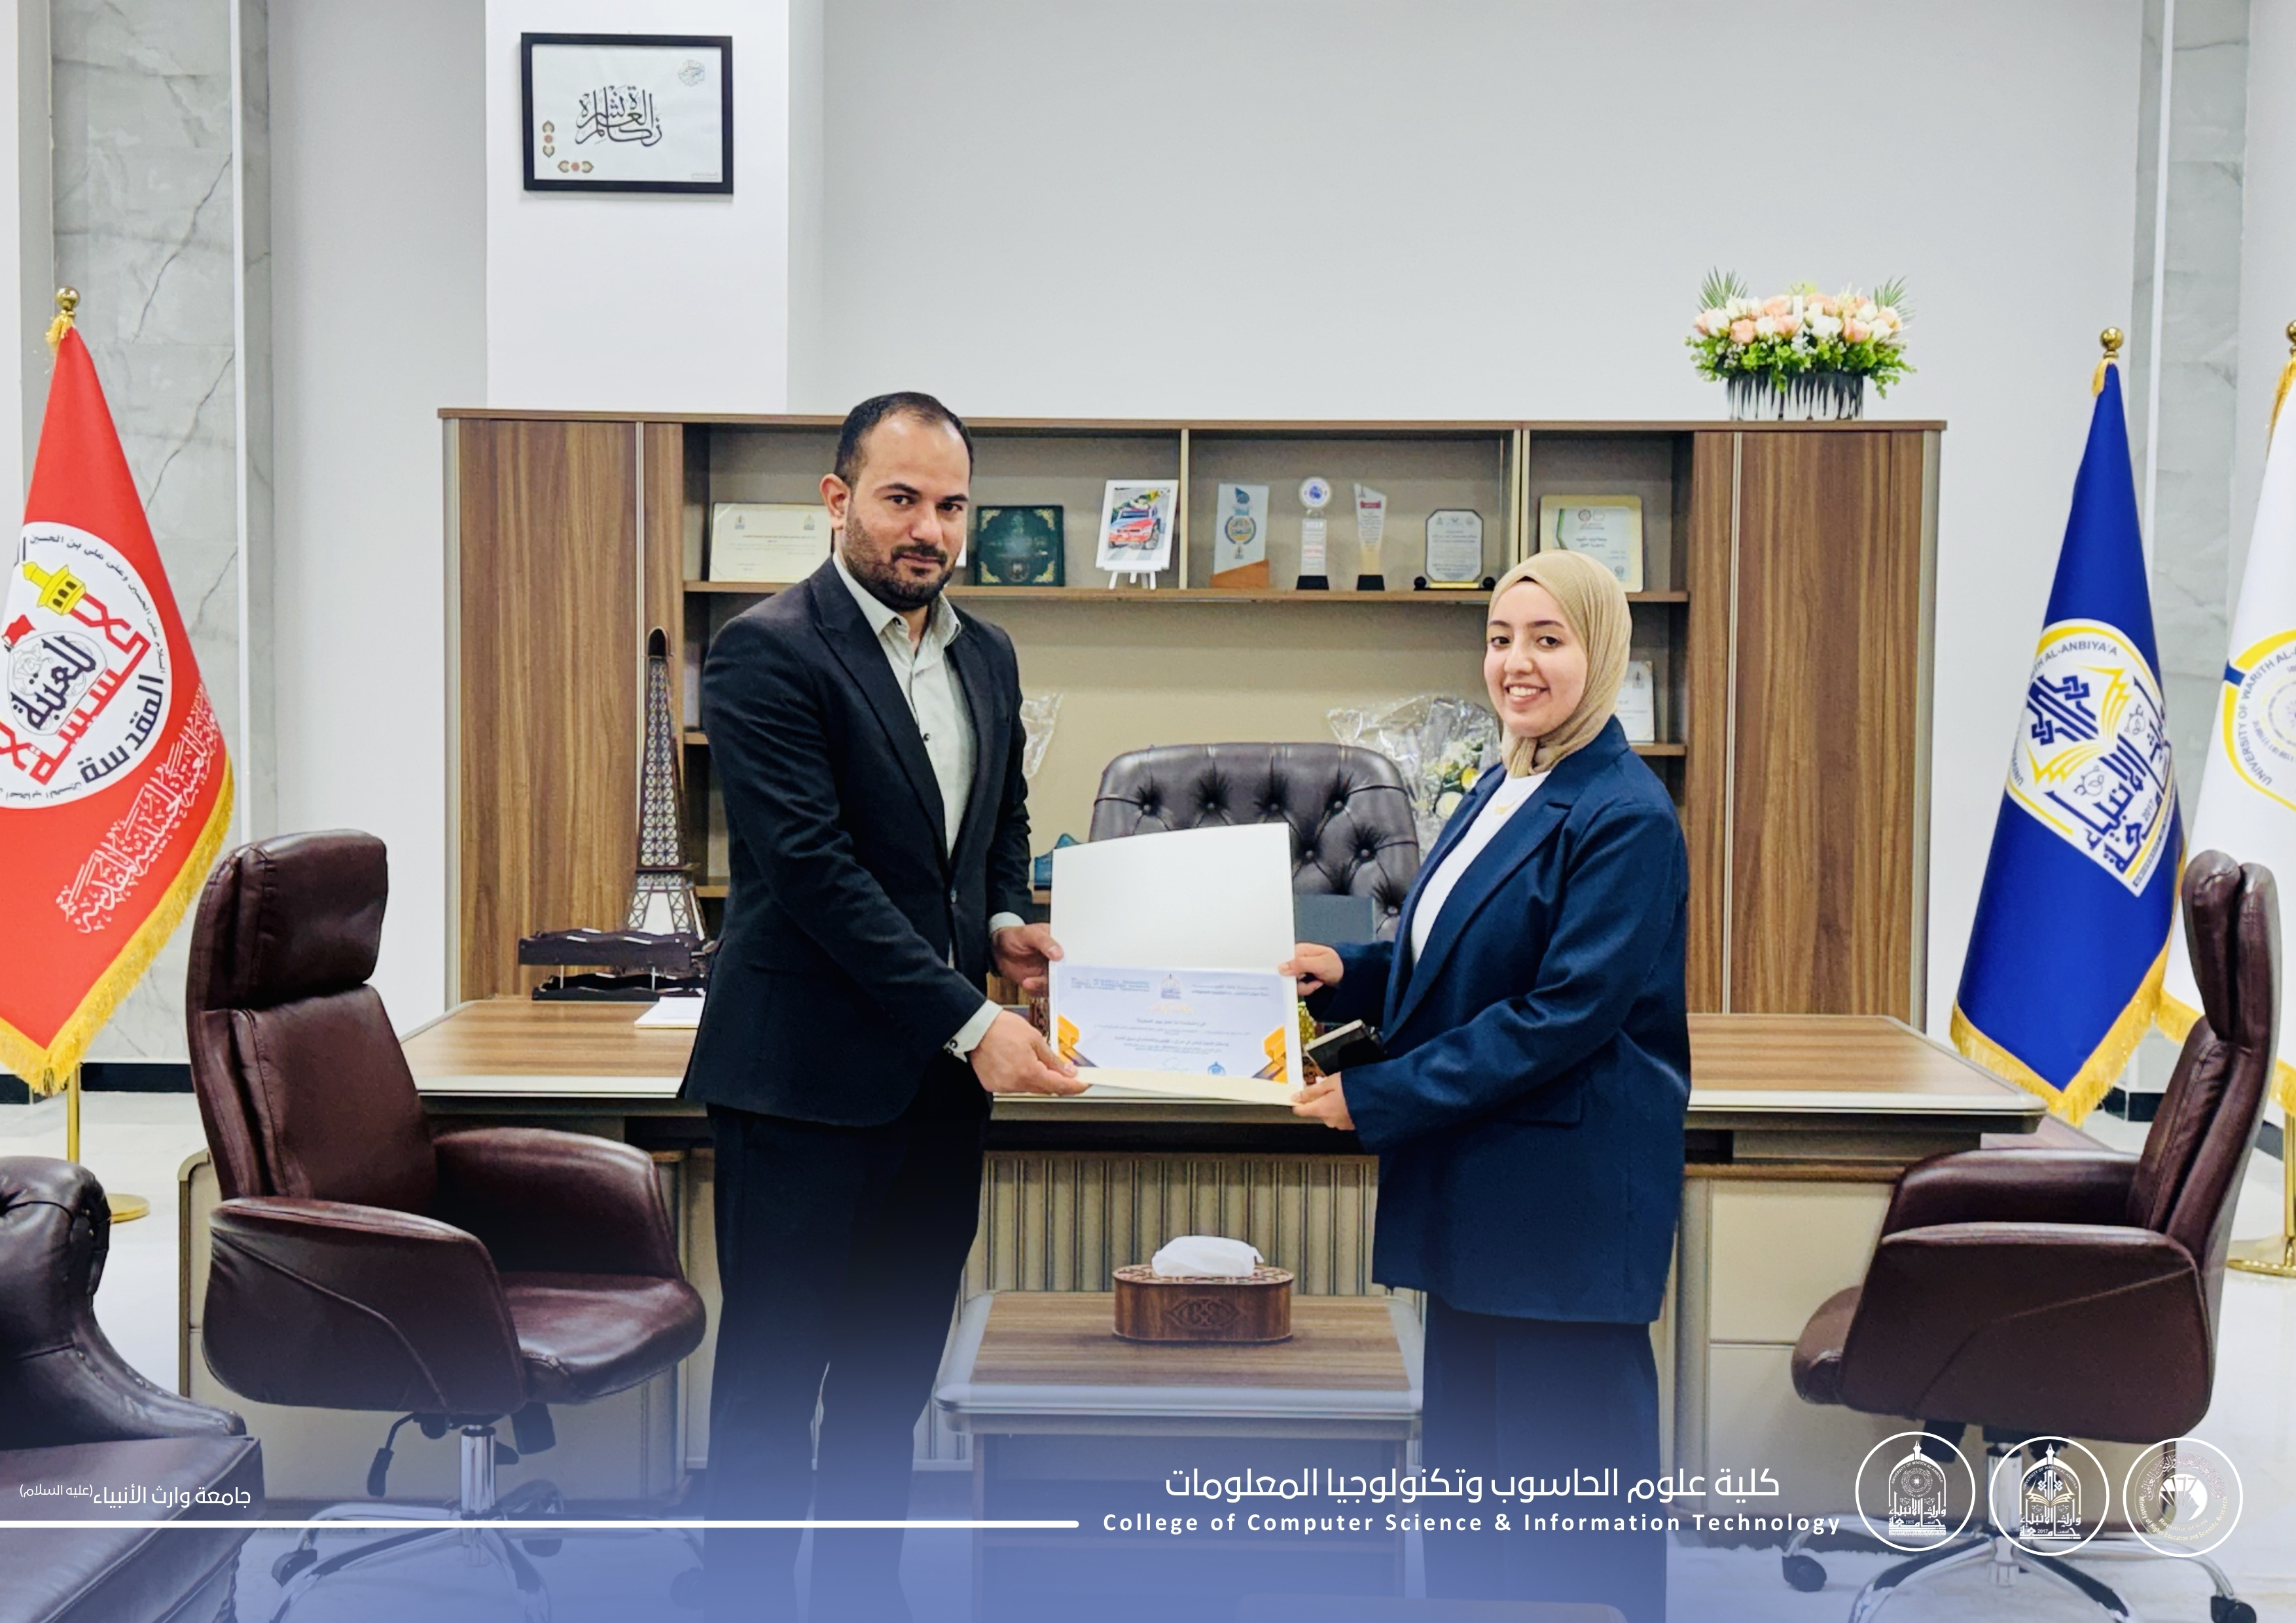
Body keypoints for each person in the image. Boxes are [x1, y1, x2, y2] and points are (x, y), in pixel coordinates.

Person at [682, 392, 1086, 1622]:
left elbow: (997, 823)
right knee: (772, 1385)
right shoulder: (765, 652)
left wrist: (1004, 920)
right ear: (838, 499)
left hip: (931, 1094)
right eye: (901, 499)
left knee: (887, 1381)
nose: (929, 530)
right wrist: (973, 1019)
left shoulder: (986, 653)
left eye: (951, 506)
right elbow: (814, 876)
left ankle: (865, 1592)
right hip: (801, 1084)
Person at [1283, 548, 1689, 1623]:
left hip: (1559, 1211)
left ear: (1603, 653)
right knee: (1477, 1502)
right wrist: (1349, 971)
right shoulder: (1512, 779)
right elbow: (1456, 956)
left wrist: (1378, 1094)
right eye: (1503, 638)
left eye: (1549, 640)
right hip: (1485, 1200)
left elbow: (1559, 1016)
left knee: (1562, 1525)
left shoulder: (1624, 814)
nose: (1518, 663)